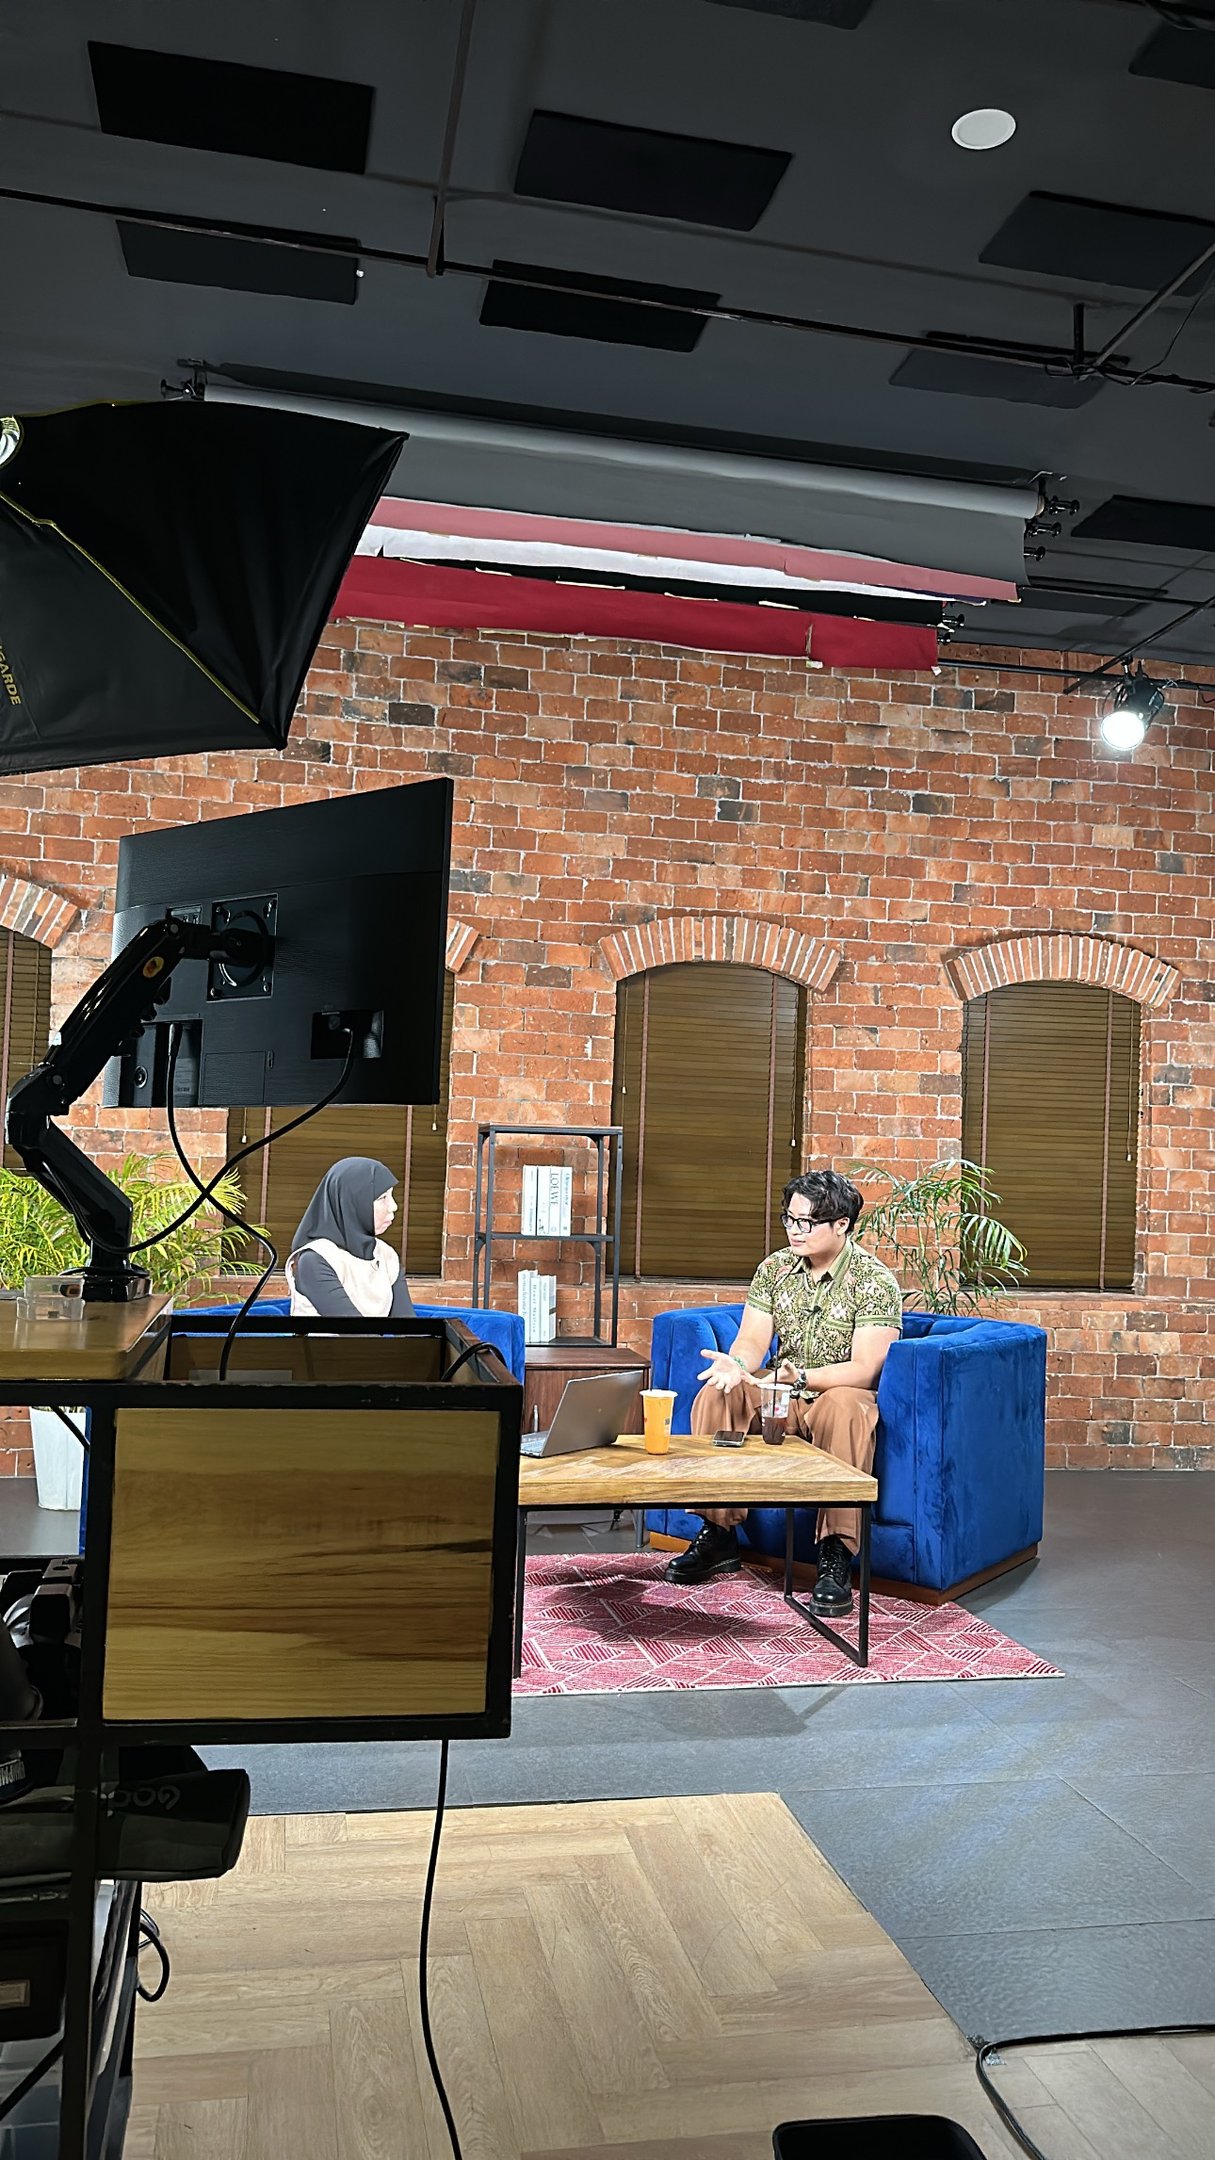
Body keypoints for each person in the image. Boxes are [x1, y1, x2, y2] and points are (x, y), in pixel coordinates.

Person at [668, 1167, 902, 1616]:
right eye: (790, 1220)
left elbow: (866, 1369)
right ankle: (719, 1534)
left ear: (841, 1225)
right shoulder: (774, 1269)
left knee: (848, 1406)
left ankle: (836, 1553)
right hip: (782, 1391)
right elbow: (754, 1341)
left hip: (833, 1391)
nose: (795, 1231)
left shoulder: (874, 1282)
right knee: (719, 1393)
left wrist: (800, 1379)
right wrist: (737, 1365)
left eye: (807, 1223)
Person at [286, 1157, 415, 1319]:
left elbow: (408, 1326)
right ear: (351, 1203)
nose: (393, 1206)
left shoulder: (386, 1254)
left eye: (391, 1196)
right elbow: (354, 1332)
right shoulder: (315, 1259)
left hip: (375, 1344)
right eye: (382, 1198)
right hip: (327, 1345)